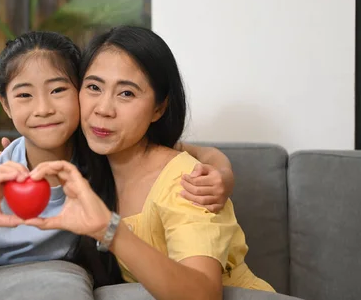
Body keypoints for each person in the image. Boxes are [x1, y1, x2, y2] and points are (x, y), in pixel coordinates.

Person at [0, 30, 233, 284]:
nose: (44, 109)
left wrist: (220, 169)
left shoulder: (99, 151)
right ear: (5, 105)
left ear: (79, 93)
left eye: (59, 90)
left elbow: (174, 155)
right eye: (24, 95)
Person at [24, 26, 275, 300]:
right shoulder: (92, 163)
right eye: (94, 87)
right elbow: (204, 152)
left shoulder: (185, 183)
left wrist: (109, 229)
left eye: (127, 94)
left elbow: (203, 295)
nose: (103, 109)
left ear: (159, 108)